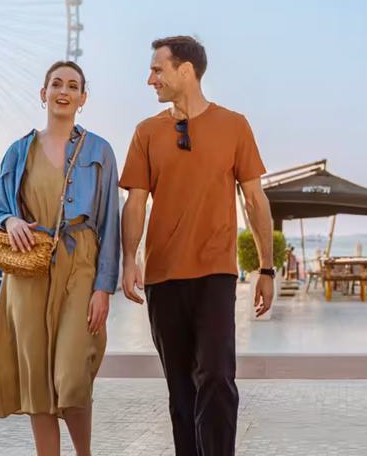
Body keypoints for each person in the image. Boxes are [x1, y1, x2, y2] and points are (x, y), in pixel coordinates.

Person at [120, 35, 274, 456]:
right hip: (163, 278)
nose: (150, 79)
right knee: (180, 390)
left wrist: (266, 267)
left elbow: (255, 198)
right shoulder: (147, 132)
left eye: (157, 69)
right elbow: (135, 201)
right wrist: (128, 260)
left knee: (218, 377)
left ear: (185, 70)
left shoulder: (234, 125)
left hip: (215, 275)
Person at [0, 61, 121, 456]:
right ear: (43, 93)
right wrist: (11, 219)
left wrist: (104, 287)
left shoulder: (100, 151)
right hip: (28, 273)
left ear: (83, 99)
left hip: (80, 265)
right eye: (56, 84)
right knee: (37, 382)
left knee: (71, 375)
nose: (64, 91)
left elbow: (110, 222)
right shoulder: (18, 152)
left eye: (73, 86)